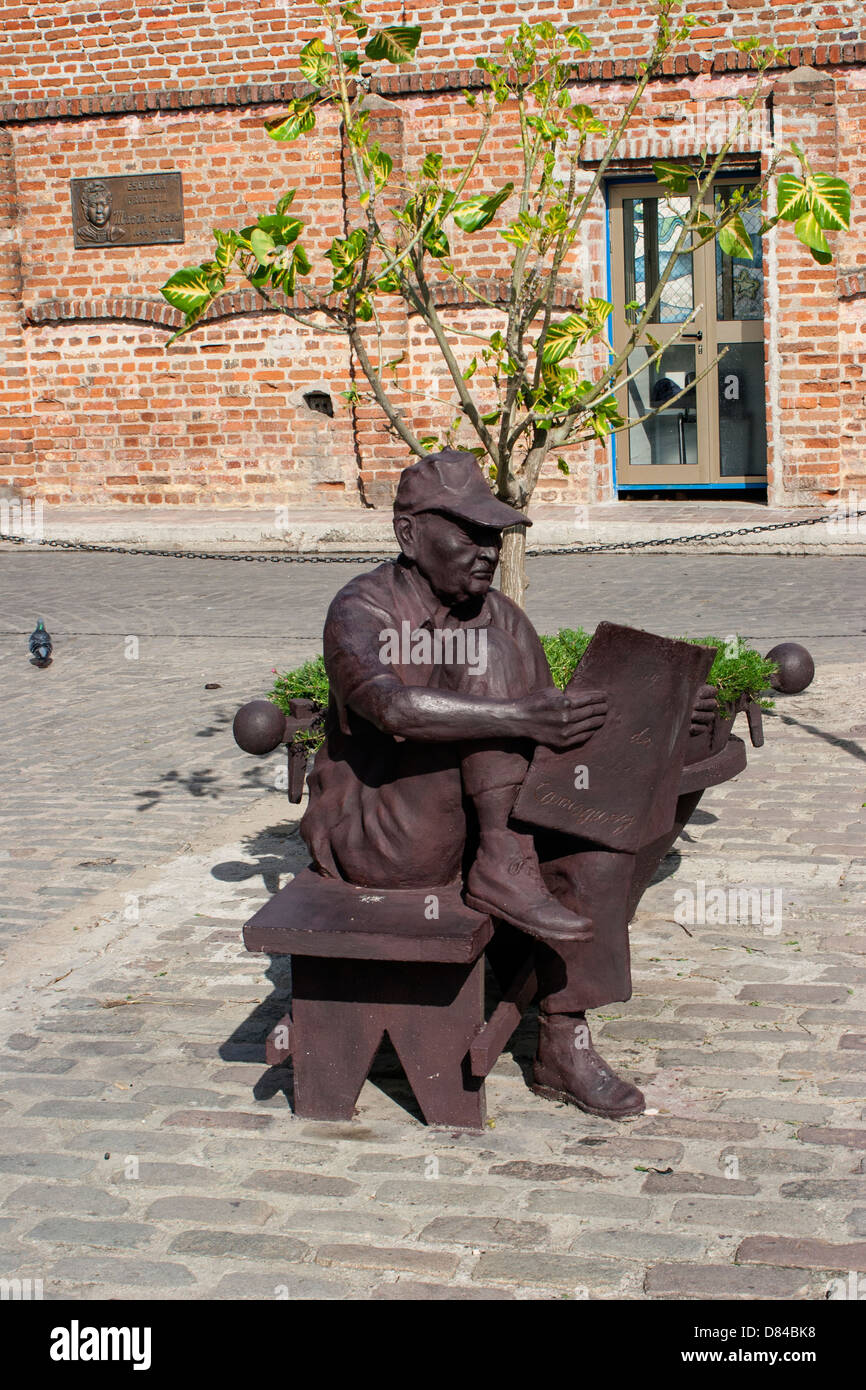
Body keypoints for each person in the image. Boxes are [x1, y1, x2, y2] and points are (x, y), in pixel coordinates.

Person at [300, 449, 715, 1118]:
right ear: (409, 534)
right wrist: (518, 714)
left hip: (482, 826)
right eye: (468, 532)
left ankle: (563, 1039)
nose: (487, 550)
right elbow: (391, 707)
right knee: (484, 655)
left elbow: (551, 733)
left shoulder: (500, 616)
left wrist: (662, 712)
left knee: (595, 850)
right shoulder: (362, 607)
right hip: (388, 832)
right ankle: (504, 858)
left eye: (494, 535)